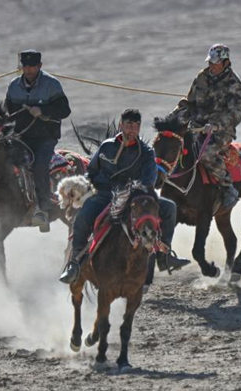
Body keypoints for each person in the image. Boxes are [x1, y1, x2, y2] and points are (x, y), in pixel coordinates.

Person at [58, 109, 189, 285]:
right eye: (128, 125)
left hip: (133, 196)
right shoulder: (107, 146)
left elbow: (148, 180)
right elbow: (92, 171)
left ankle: (164, 256)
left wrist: (132, 190)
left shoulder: (147, 152)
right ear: (121, 125)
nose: (132, 130)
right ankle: (75, 264)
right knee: (83, 217)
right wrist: (89, 183)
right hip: (104, 194)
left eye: (136, 126)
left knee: (169, 208)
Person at [0, 49, 71, 231]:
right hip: (20, 136)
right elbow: (8, 112)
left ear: (40, 66)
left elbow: (65, 110)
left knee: (40, 165)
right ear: (21, 67)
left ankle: (42, 209)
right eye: (26, 66)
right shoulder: (14, 86)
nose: (29, 70)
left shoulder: (52, 85)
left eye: (33, 66)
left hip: (45, 138)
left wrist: (43, 111)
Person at [174, 43, 241, 211]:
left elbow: (237, 112)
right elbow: (189, 101)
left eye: (216, 63)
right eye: (210, 62)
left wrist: (216, 125)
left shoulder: (234, 84)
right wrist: (175, 115)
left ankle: (227, 186)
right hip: (196, 126)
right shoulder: (201, 77)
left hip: (221, 131)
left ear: (226, 62)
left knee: (206, 154)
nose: (212, 66)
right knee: (173, 146)